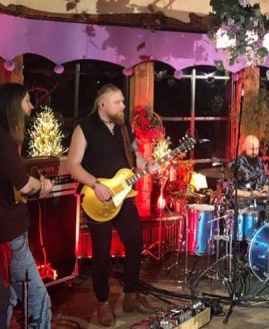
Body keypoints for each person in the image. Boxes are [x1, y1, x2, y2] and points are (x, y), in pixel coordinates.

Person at [66, 84, 158, 327]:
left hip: (124, 197)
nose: (123, 106)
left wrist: (148, 165)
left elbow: (136, 156)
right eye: (118, 102)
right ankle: (103, 303)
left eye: (123, 101)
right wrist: (95, 184)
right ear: (102, 104)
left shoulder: (124, 128)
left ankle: (131, 296)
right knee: (102, 254)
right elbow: (72, 164)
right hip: (98, 199)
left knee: (135, 244)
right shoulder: (84, 128)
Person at [0, 82, 53, 328]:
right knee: (38, 300)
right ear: (13, 106)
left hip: (7, 233)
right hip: (10, 234)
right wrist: (41, 185)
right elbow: (23, 185)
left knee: (7, 299)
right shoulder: (4, 140)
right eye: (26, 101)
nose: (31, 107)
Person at [229, 135, 268, 200]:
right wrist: (250, 194)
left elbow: (263, 183)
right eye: (251, 149)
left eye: (256, 149)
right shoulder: (236, 164)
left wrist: (265, 190)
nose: (254, 152)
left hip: (258, 201)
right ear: (244, 148)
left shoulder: (259, 162)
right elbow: (230, 190)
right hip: (241, 202)